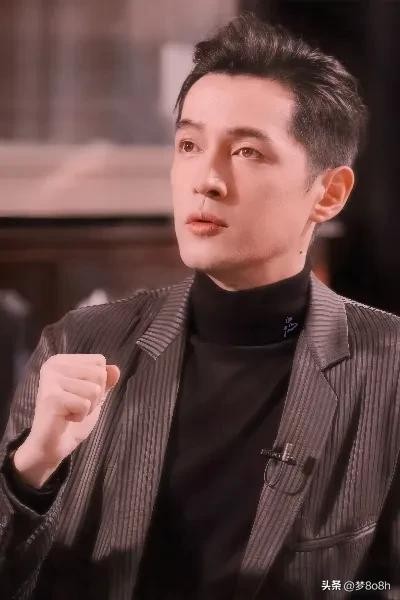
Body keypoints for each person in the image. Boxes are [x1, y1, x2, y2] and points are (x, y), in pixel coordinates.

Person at [0, 13, 399, 600]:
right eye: (189, 145)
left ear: (329, 193)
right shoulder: (82, 342)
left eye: (248, 151)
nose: (206, 180)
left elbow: (380, 583)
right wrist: (31, 469)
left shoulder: (388, 369)